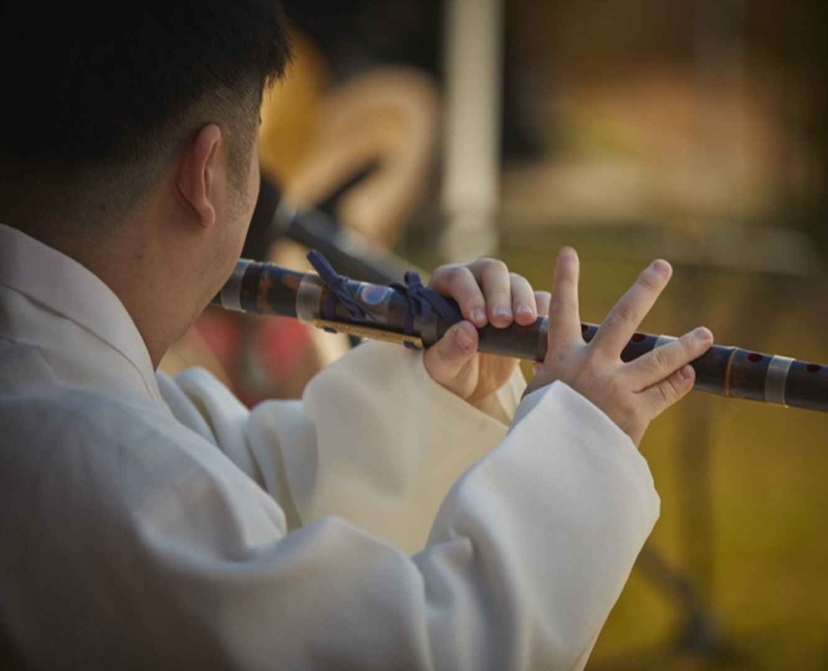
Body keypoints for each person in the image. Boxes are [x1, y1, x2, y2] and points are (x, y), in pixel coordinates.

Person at [0, 3, 714, 669]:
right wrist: (577, 448)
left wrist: (435, 396)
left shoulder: (66, 383)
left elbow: (250, 496)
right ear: (206, 173)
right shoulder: (72, 445)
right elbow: (422, 651)